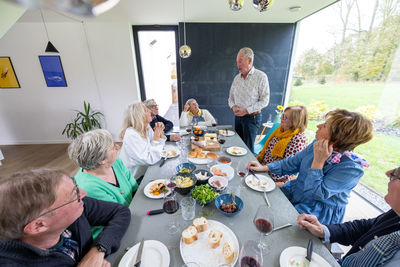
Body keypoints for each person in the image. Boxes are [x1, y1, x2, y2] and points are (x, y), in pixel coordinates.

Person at [249, 109, 373, 225]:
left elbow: (314, 194)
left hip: (316, 209)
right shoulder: (317, 144)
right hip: (295, 190)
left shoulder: (351, 169)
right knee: (257, 205)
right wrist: (265, 168)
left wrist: (318, 162)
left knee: (278, 224)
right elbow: (293, 162)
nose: (318, 126)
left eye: (324, 126)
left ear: (337, 137)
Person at [0, 169, 131, 266]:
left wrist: (98, 249)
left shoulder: (75, 209)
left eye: (75, 188)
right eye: (75, 194)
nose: (84, 193)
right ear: (39, 225)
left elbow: (120, 212)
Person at [297, 167, 400, 266]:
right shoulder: (395, 215)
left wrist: (318, 162)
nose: (388, 173)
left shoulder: (351, 169)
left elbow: (317, 192)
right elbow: (364, 228)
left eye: (399, 171)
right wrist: (323, 230)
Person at [68, 129, 138, 238]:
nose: (117, 147)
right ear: (101, 160)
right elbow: (117, 217)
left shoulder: (115, 162)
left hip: (134, 214)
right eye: (112, 147)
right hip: (115, 232)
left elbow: (134, 187)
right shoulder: (88, 187)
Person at [228, 47, 270, 153]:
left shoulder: (261, 77)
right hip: (238, 117)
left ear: (249, 60)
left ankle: (249, 169)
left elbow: (265, 100)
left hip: (252, 118)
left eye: (240, 61)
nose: (238, 65)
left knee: (247, 149)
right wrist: (233, 107)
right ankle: (238, 169)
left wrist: (246, 110)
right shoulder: (237, 78)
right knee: (237, 146)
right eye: (237, 62)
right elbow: (230, 98)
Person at [256, 105, 309, 186]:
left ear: (295, 121)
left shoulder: (299, 139)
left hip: (275, 178)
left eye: (285, 117)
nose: (281, 118)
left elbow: (289, 166)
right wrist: (258, 161)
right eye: (282, 115)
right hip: (264, 167)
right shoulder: (280, 129)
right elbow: (267, 150)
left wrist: (274, 183)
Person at [119, 102, 166, 178]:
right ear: (139, 115)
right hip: (136, 178)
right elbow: (149, 159)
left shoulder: (146, 128)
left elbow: (156, 148)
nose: (150, 111)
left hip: (146, 169)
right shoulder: (131, 134)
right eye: (146, 110)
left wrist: (160, 133)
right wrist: (156, 137)